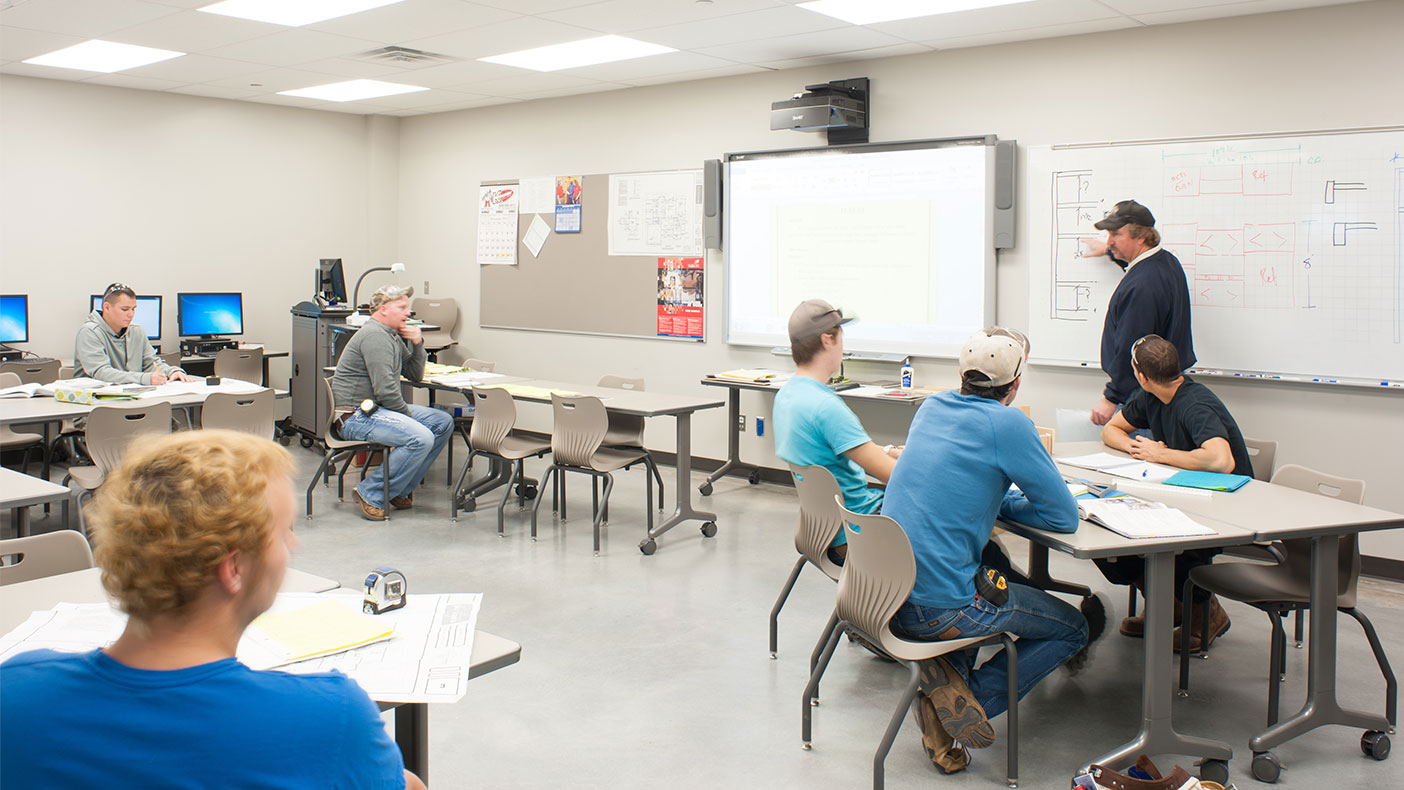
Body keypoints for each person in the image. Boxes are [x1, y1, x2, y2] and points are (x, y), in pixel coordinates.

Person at [0, 430, 426, 790]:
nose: (293, 547)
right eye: (284, 533)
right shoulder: (333, 720)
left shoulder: (16, 694)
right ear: (234, 569)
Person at [882, 329, 1087, 774]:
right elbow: (1063, 518)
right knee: (1073, 628)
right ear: (1015, 385)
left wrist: (998, 499)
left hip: (888, 596)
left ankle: (946, 681)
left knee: (974, 571)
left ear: (960, 374)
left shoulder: (931, 406)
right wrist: (1011, 500)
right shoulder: (1008, 423)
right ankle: (964, 701)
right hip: (940, 608)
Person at [1095, 334, 1251, 651]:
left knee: (1178, 549)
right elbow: (1112, 429)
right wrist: (1136, 448)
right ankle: (1171, 605)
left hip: (1227, 504)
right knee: (1114, 544)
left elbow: (1221, 461)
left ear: (1141, 374)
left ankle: (1204, 615)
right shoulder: (1149, 395)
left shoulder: (1195, 404)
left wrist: (1160, 455)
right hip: (1183, 493)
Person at [772, 299, 900, 565]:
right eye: (841, 335)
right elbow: (894, 477)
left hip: (822, 533)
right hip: (859, 533)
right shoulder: (827, 407)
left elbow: (846, 451)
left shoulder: (788, 396)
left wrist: (890, 451)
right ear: (828, 340)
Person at [333, 284, 452, 521]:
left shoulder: (391, 335)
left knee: (442, 422)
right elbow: (386, 390)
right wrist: (408, 419)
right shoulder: (375, 336)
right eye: (402, 307)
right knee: (421, 437)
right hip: (355, 416)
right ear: (384, 310)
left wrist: (418, 344)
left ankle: (398, 489)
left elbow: (414, 375)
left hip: (378, 409)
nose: (408, 313)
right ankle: (371, 493)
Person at [1081, 200, 1194, 427]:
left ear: (1140, 237)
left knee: (1136, 459)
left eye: (1115, 235)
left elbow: (1132, 346)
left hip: (1140, 394)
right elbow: (1139, 266)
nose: (1109, 241)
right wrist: (1111, 252)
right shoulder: (1165, 262)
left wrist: (1111, 398)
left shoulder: (1142, 286)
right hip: (1164, 390)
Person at [74, 282, 190, 384]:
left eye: (133, 309)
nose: (131, 314)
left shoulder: (137, 331)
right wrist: (144, 378)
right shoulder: (89, 332)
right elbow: (101, 372)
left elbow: (151, 363)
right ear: (107, 307)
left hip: (132, 396)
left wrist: (172, 371)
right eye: (125, 309)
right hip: (96, 401)